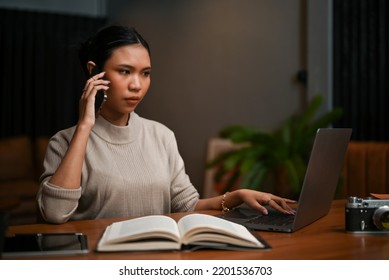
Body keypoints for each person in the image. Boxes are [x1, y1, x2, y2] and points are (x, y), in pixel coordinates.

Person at [37, 25, 295, 224]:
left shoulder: (161, 135)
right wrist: (84, 127)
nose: (137, 85)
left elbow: (187, 205)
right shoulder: (64, 142)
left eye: (145, 73)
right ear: (94, 72)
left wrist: (237, 196)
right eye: (125, 71)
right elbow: (54, 214)